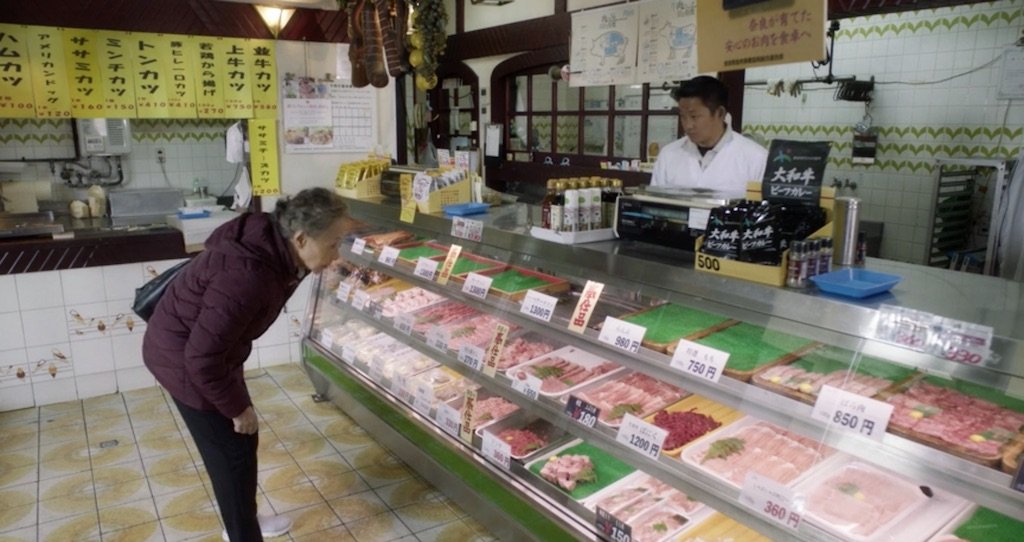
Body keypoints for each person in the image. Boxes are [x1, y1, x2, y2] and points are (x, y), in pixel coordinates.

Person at [143, 187, 349, 542]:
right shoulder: (247, 274)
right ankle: (241, 532)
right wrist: (238, 408)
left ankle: (243, 518)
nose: (337, 253)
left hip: (205, 349)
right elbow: (202, 359)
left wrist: (318, 270)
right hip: (185, 359)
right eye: (332, 244)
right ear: (301, 238)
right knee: (232, 452)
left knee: (238, 448)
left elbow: (278, 278)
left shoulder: (273, 241)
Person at [650, 75, 768, 197]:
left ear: (720, 113)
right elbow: (654, 206)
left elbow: (761, 211)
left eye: (694, 116)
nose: (688, 125)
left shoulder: (756, 158)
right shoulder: (669, 154)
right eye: (683, 116)